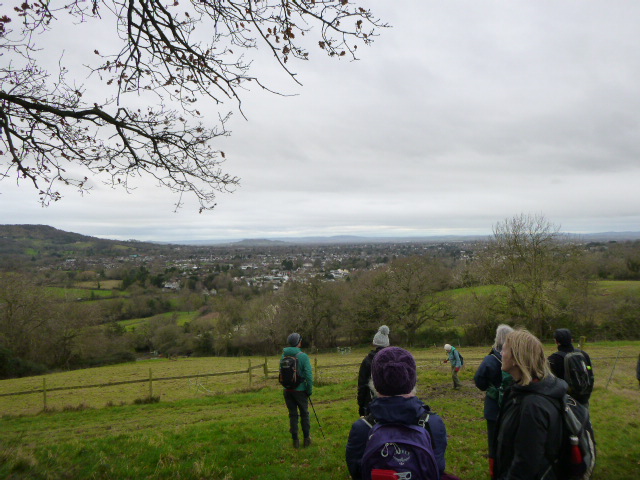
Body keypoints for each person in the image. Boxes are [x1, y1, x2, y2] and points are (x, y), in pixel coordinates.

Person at [346, 346, 448, 480]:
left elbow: (357, 474)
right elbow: (437, 469)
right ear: (413, 380)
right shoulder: (433, 424)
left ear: (374, 383)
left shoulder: (362, 428)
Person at [492, 329, 567, 480]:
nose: (500, 354)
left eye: (504, 349)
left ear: (516, 358)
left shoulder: (533, 406)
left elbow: (525, 465)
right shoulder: (517, 390)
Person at [474, 324, 514, 455]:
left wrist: (490, 388)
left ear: (497, 338)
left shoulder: (490, 359)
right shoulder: (518, 358)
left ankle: (495, 465)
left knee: (493, 439)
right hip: (514, 405)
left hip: (494, 407)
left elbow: (479, 381)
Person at [281, 332, 313, 449]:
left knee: (293, 415)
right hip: (300, 391)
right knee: (304, 414)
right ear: (298, 342)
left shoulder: (283, 356)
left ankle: (295, 441)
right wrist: (309, 390)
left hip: (287, 390)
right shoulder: (303, 356)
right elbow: (309, 375)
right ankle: (307, 439)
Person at [547, 328, 594, 405]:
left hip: (566, 401)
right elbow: (589, 370)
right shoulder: (584, 354)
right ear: (571, 340)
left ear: (556, 342)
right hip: (584, 397)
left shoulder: (553, 359)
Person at [357, 325, 390, 416]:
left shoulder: (367, 361)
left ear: (375, 343)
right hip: (391, 404)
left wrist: (361, 405)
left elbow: (362, 385)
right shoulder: (394, 360)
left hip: (371, 403)